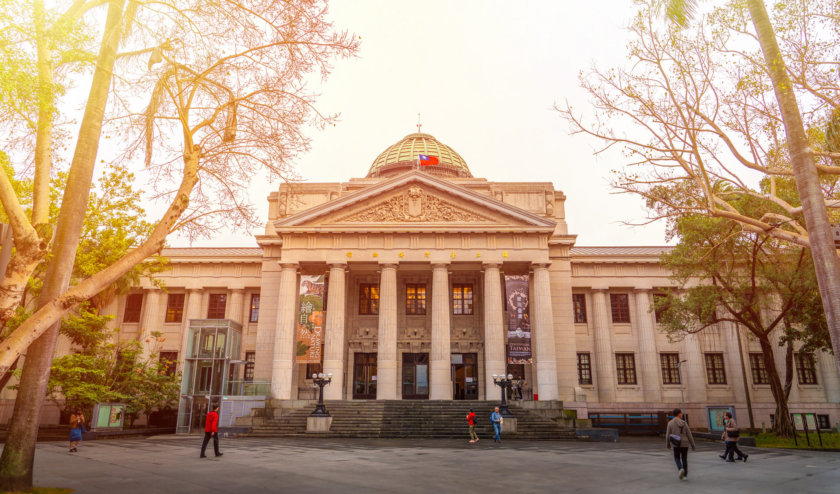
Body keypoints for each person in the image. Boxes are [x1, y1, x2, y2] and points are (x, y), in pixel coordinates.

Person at [666, 408, 695, 480]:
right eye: (681, 413)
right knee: (684, 459)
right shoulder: (684, 423)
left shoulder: (670, 423)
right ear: (679, 414)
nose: (682, 414)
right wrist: (693, 445)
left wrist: (668, 444)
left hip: (676, 443)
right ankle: (685, 476)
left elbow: (667, 435)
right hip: (685, 443)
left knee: (676, 457)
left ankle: (680, 468)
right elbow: (689, 435)